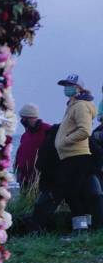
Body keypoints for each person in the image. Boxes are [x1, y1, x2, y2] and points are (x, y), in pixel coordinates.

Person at [55, 74, 97, 224]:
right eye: (65, 85)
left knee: (71, 192)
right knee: (78, 193)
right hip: (71, 156)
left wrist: (65, 141)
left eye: (69, 85)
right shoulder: (72, 105)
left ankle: (80, 228)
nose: (66, 88)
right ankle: (86, 225)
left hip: (77, 155)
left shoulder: (81, 106)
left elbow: (85, 130)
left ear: (78, 88)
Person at [15, 103, 50, 188]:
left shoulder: (48, 130)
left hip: (40, 178)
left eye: (23, 118)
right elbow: (20, 153)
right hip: (24, 179)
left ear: (30, 117)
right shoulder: (25, 134)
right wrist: (17, 170)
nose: (22, 121)